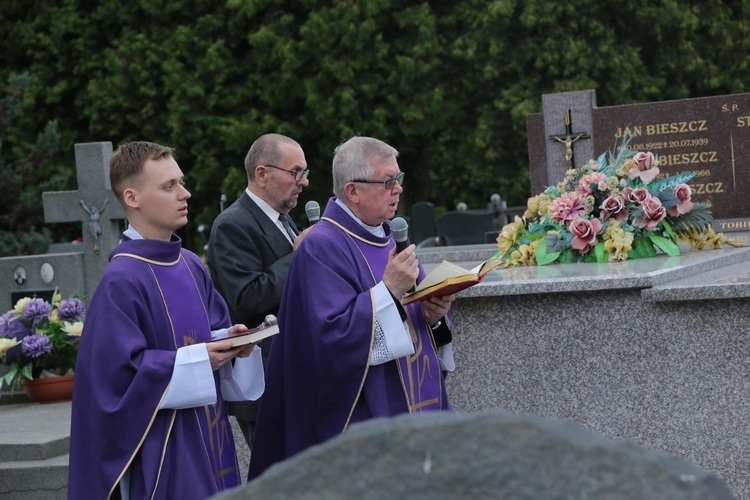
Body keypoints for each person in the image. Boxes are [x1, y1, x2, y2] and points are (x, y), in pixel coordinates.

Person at [247, 136, 456, 480]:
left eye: (398, 179)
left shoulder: (390, 236)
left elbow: (414, 317)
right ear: (353, 191)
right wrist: (388, 290)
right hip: (363, 418)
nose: (398, 189)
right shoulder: (321, 247)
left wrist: (433, 318)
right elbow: (331, 339)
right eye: (388, 181)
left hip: (416, 411)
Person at [68, 141, 265, 499]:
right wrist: (200, 357)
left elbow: (207, 335)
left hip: (212, 433)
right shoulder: (122, 279)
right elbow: (115, 382)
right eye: (168, 186)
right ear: (132, 197)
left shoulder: (190, 264)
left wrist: (234, 343)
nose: (185, 193)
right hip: (167, 448)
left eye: (181, 182)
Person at [207, 133, 310, 450]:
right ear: (263, 174)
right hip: (265, 380)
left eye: (305, 173)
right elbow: (247, 297)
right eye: (296, 172)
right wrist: (299, 256)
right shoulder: (232, 224)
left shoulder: (283, 219)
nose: (304, 182)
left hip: (297, 372)